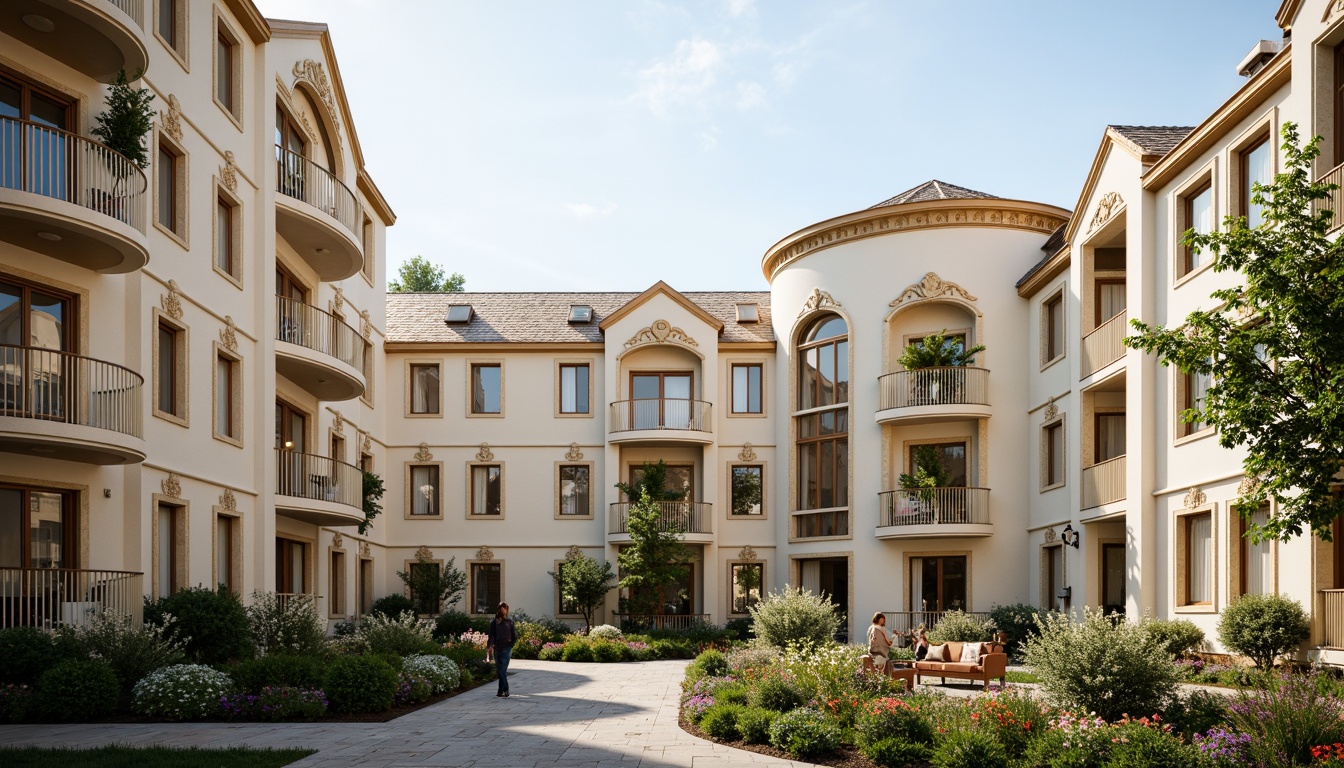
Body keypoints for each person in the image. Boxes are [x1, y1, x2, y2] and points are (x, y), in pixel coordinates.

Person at [486, 602, 516, 698]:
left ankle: (505, 689)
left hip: (507, 648)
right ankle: (500, 691)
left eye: (505, 608)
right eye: (502, 608)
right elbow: (491, 636)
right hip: (497, 647)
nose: (504, 610)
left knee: (502, 669)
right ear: (499, 609)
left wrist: (511, 644)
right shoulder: (494, 623)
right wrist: (489, 647)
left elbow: (514, 636)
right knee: (500, 670)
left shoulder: (509, 622)